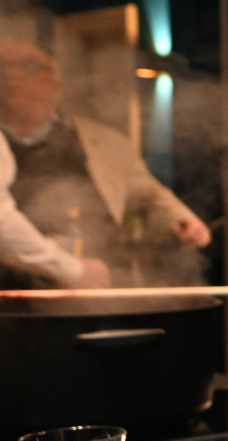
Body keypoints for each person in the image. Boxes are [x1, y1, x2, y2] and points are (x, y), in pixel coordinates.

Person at [0, 32, 209, 289]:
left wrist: (177, 218)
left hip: (94, 281)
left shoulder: (103, 141)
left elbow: (143, 191)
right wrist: (68, 268)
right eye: (2, 66)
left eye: (29, 66)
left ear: (54, 80)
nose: (10, 75)